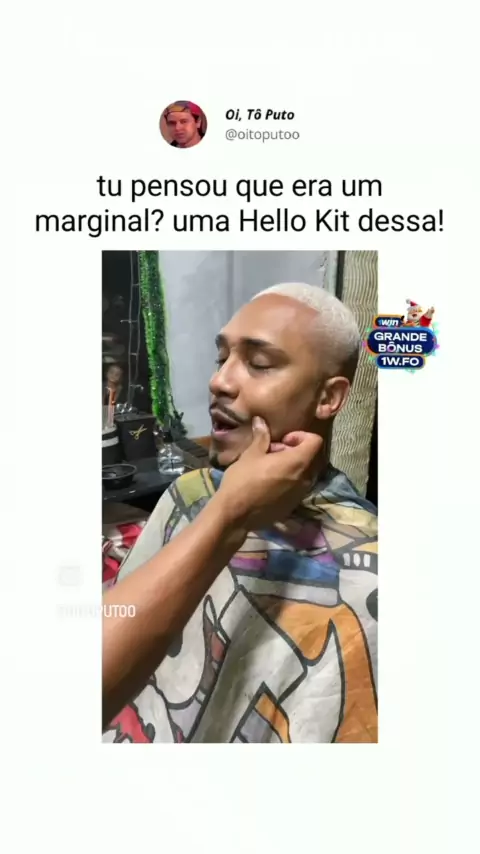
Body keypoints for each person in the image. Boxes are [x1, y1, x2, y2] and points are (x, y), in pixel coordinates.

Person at [103, 283, 378, 743]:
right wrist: (227, 513)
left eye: (260, 363)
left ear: (328, 398)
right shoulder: (191, 492)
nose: (219, 381)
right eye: (221, 358)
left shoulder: (371, 578)